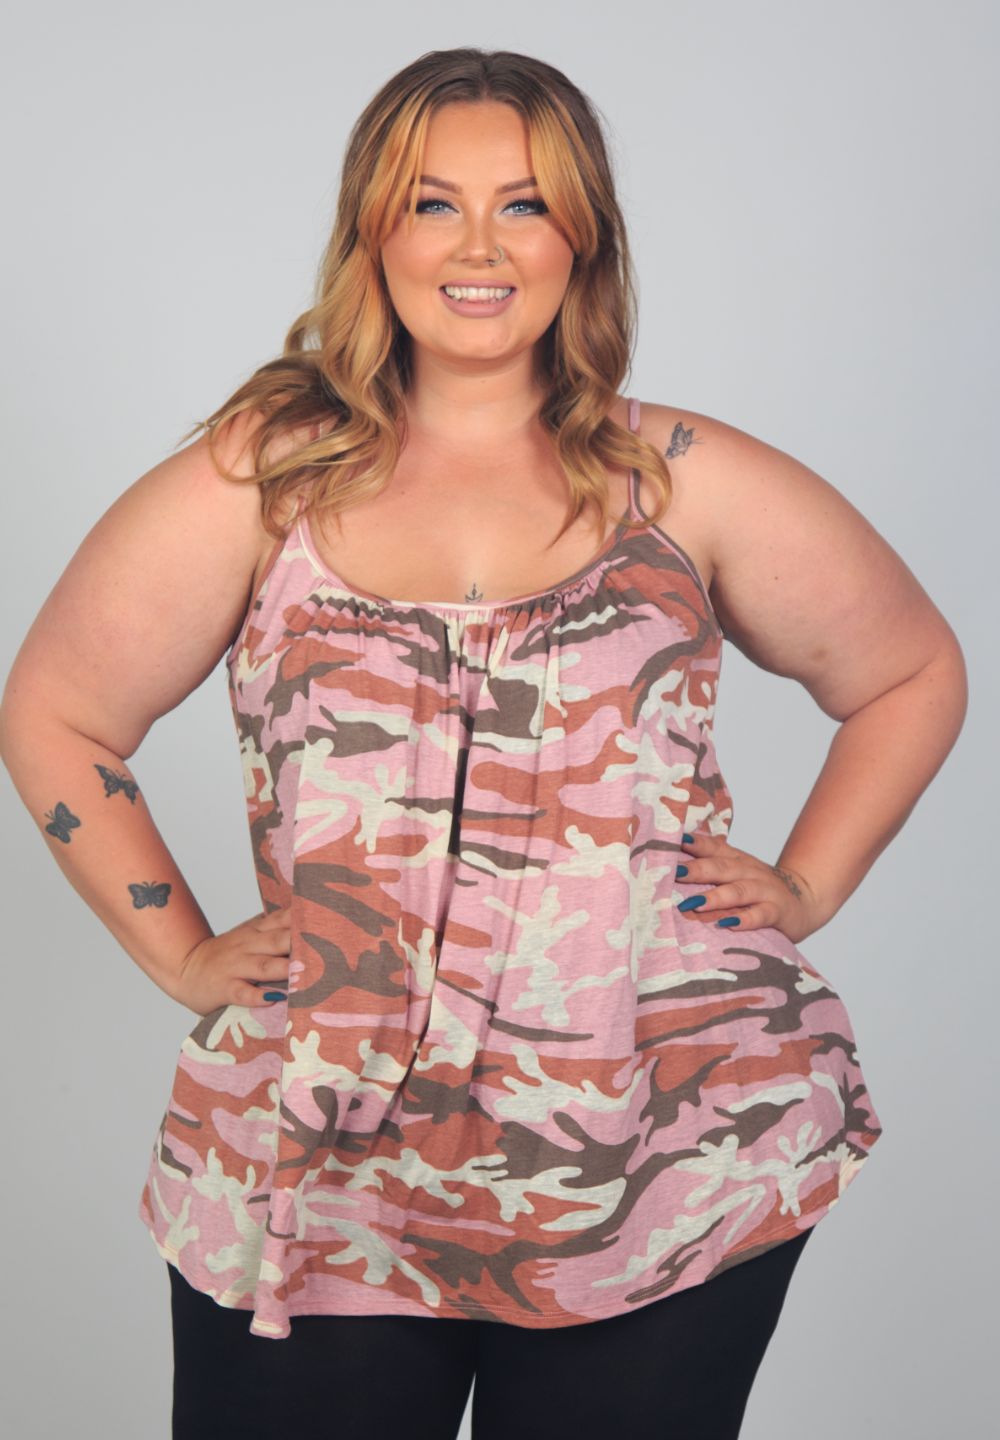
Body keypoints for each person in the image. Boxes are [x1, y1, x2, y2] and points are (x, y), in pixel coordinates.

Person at [0, 45, 966, 1440]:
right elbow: (56, 709)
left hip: (661, 1156)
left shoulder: (681, 480)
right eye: (432, 203)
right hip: (325, 1170)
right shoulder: (263, 481)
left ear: (583, 240)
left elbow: (911, 671)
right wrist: (184, 954)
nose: (478, 247)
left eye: (524, 205)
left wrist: (807, 886)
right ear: (371, 232)